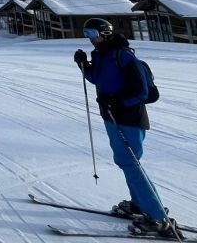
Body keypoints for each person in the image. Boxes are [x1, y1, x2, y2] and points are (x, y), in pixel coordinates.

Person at [74, 18, 178, 239]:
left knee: (131, 163)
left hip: (129, 118)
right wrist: (83, 65)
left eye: (92, 33)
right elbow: (98, 79)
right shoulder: (101, 54)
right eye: (87, 33)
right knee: (125, 162)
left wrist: (118, 102)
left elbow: (141, 92)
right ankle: (139, 205)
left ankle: (158, 218)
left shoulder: (124, 56)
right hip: (112, 116)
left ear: (105, 33)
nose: (90, 38)